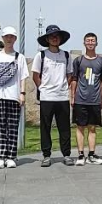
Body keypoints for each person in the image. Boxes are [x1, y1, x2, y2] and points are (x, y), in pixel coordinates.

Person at [0, 26, 30, 169]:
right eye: (6, 37)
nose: (9, 39)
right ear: (2, 38)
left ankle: (11, 156)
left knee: (12, 127)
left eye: (11, 37)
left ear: (15, 39)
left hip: (14, 96)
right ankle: (0, 156)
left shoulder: (19, 57)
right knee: (0, 127)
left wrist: (22, 94)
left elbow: (23, 77)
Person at [32, 25, 74, 167]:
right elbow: (35, 75)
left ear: (60, 39)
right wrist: (42, 88)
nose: (54, 38)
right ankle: (46, 155)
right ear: (47, 39)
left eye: (57, 36)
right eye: (52, 36)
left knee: (64, 127)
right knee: (45, 127)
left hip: (62, 97)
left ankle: (66, 154)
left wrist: (64, 86)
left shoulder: (66, 55)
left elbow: (69, 74)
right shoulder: (41, 55)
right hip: (47, 97)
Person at [70, 33, 102, 166]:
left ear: (96, 43)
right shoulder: (78, 61)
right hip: (80, 99)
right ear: (84, 43)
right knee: (80, 127)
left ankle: (92, 154)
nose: (90, 43)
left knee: (92, 128)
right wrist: (72, 96)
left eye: (93, 41)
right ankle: (80, 155)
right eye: (88, 41)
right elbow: (74, 79)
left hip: (95, 100)